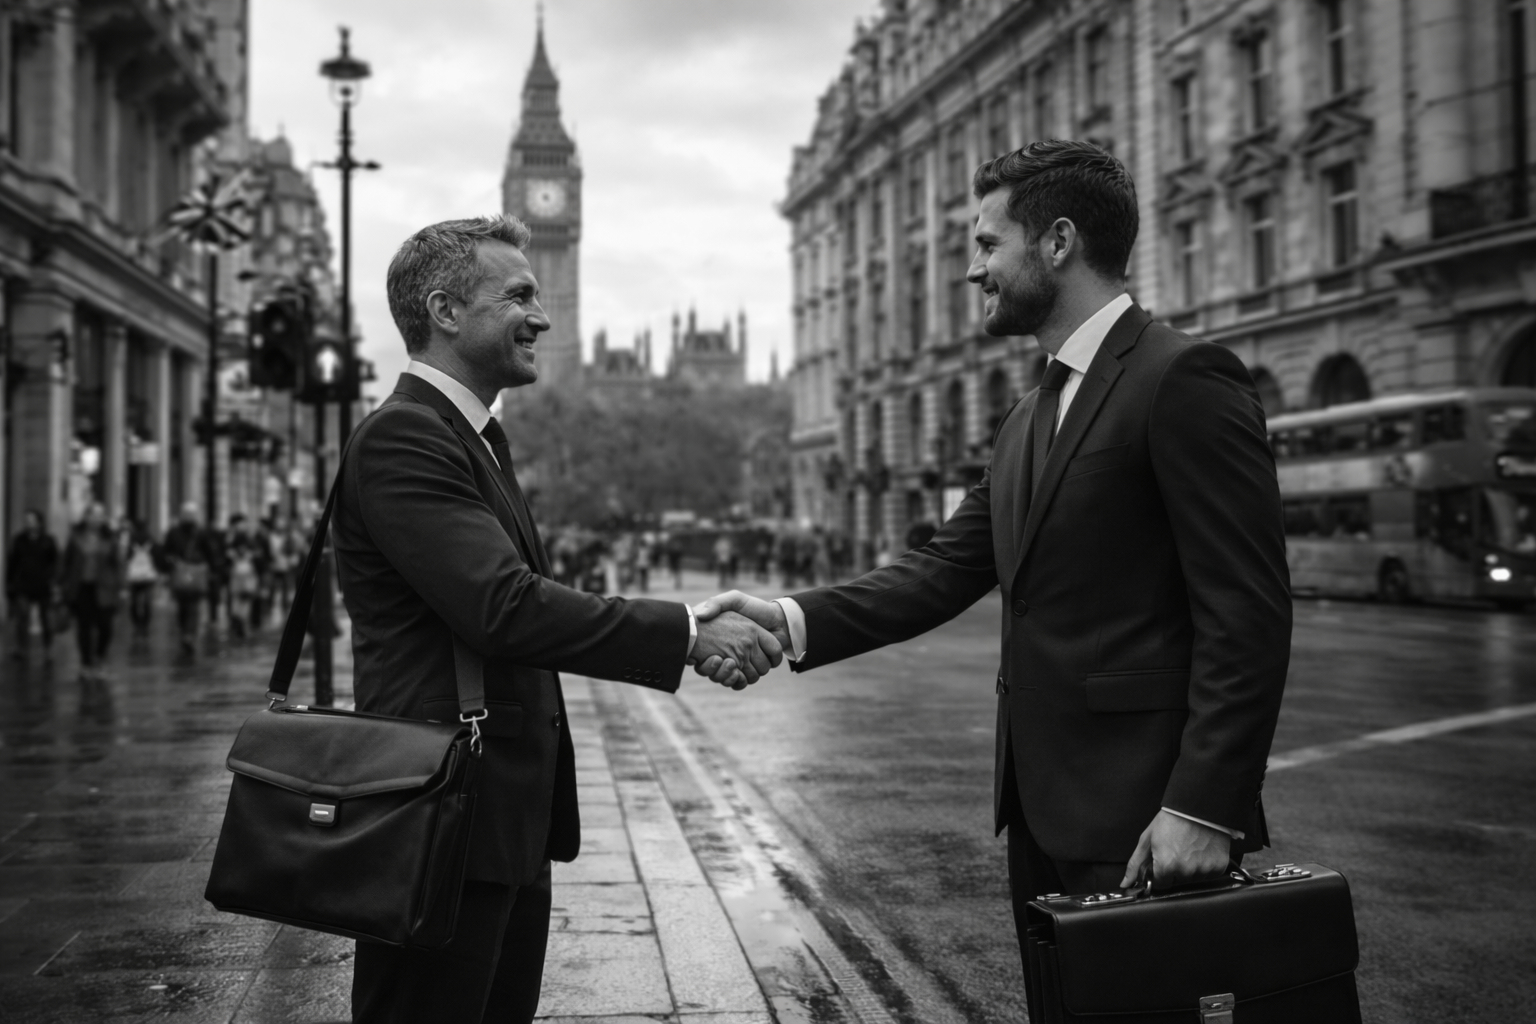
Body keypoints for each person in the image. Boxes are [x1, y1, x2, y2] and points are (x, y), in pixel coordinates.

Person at [698, 141, 1290, 984]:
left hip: (1155, 818)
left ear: (1056, 243)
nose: (973, 272)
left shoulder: (1184, 377)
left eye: (986, 245)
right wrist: (786, 619)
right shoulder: (1027, 414)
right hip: (1042, 819)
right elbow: (941, 569)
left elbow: (1249, 615)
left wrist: (1204, 806)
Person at [335, 215, 781, 1024]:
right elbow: (504, 606)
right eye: (518, 295)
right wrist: (685, 633)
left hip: (494, 822)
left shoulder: (475, 438)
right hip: (438, 819)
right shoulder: (406, 436)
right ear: (443, 310)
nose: (540, 315)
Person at [61, 502, 123, 680]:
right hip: (82, 588)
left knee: (106, 626)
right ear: (86, 516)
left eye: (100, 515)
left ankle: (100, 656)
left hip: (105, 588)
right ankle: (86, 663)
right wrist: (62, 584)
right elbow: (67, 561)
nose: (97, 518)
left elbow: (118, 564)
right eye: (93, 514)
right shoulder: (75, 536)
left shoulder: (110, 537)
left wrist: (122, 587)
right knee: (84, 627)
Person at [7, 509, 60, 659]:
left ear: (39, 522)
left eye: (31, 520)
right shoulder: (19, 540)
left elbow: (55, 562)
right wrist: (10, 584)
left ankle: (48, 648)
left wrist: (53, 580)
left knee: (46, 618)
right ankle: (22, 648)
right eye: (26, 520)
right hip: (23, 585)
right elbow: (12, 563)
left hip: (43, 585)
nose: (28, 523)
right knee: (22, 617)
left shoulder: (48, 540)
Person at [162, 503, 213, 655]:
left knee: (194, 607)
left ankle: (188, 635)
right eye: (187, 513)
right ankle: (185, 632)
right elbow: (166, 551)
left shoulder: (200, 532)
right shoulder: (174, 532)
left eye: (192, 513)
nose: (190, 516)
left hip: (196, 574)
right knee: (182, 607)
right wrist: (170, 563)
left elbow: (209, 551)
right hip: (179, 574)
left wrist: (209, 567)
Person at [225, 514, 260, 639]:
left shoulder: (230, 538)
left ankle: (237, 617)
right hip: (247, 572)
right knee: (246, 597)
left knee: (237, 597)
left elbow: (227, 553)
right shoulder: (248, 538)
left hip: (236, 572)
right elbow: (257, 553)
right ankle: (241, 620)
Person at [123, 521, 159, 637]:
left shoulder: (132, 539)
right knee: (147, 601)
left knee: (134, 601)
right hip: (148, 575)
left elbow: (127, 556)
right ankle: (145, 624)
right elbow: (156, 555)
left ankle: (136, 623)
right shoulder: (150, 539)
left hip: (134, 575)